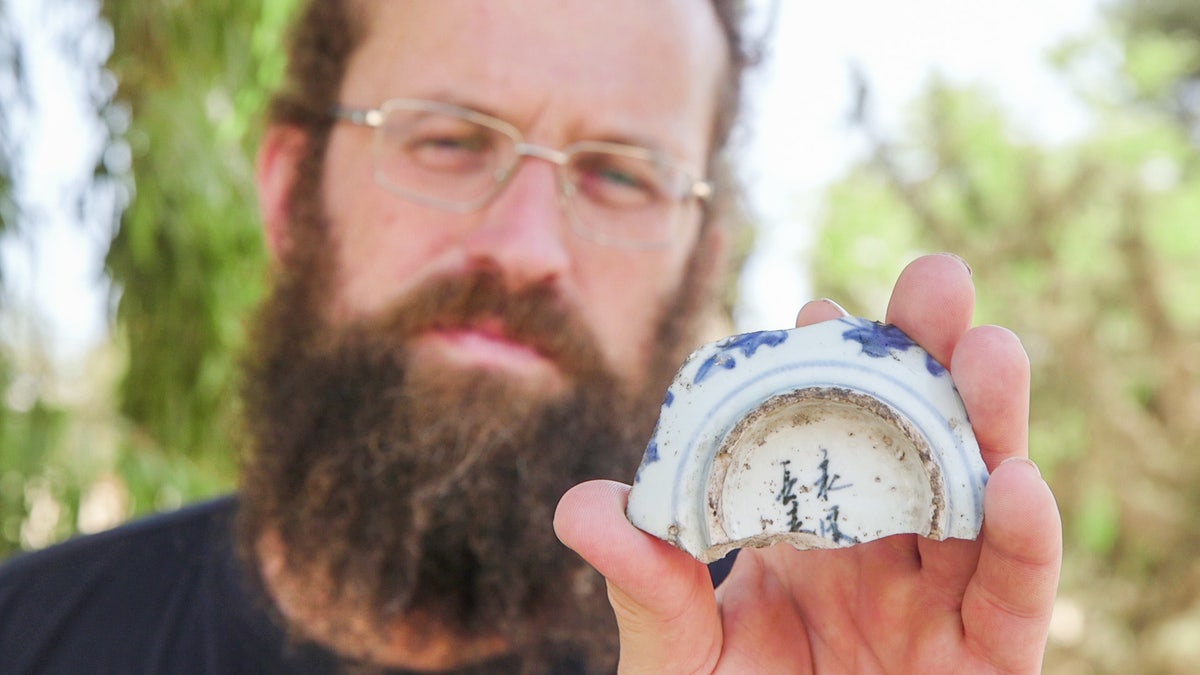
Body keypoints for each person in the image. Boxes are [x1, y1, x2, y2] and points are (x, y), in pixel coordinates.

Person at [0, 0, 1062, 673]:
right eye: (451, 140)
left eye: (617, 174)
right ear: (288, 193)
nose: (523, 247)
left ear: (699, 258)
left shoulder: (807, 649)